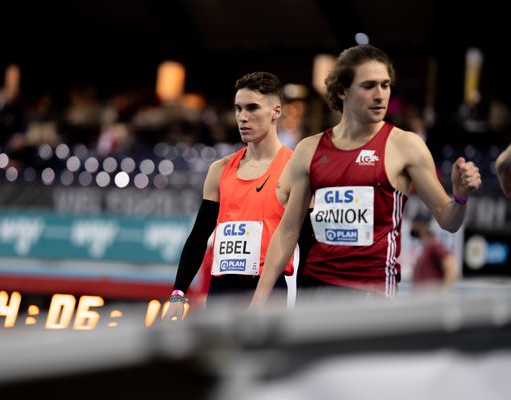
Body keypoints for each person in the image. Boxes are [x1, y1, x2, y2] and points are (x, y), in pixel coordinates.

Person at [250, 44, 481, 304]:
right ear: (342, 90)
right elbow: (287, 232)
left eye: (385, 85)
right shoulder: (309, 149)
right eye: (369, 86)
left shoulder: (405, 146)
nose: (380, 95)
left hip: (372, 293)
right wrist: (258, 302)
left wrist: (460, 197)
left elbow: (449, 221)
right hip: (313, 289)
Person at [164, 72, 313, 320]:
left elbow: (308, 246)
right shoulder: (220, 170)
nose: (242, 117)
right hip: (221, 291)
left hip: (269, 293)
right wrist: (178, 293)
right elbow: (199, 236)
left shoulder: (295, 170)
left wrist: (309, 305)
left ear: (276, 111)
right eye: (238, 109)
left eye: (252, 108)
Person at [410, 214, 459, 292]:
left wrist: (443, 293)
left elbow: (452, 267)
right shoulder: (424, 248)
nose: (412, 227)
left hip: (431, 300)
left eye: (414, 224)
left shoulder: (434, 245)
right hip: (422, 301)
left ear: (421, 225)